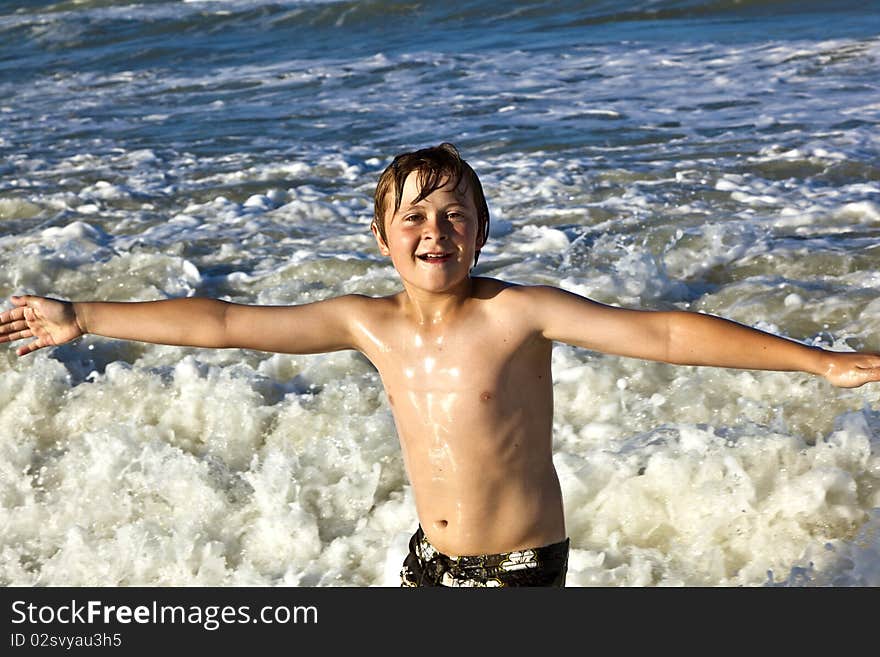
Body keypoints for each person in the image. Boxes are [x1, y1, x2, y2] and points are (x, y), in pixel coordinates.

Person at [2, 143, 879, 587]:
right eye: (415, 217)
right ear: (382, 237)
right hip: (428, 564)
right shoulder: (366, 322)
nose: (436, 232)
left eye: (455, 215)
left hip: (519, 574)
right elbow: (226, 320)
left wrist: (822, 364)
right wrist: (85, 315)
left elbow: (667, 334)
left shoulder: (518, 313)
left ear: (482, 231)